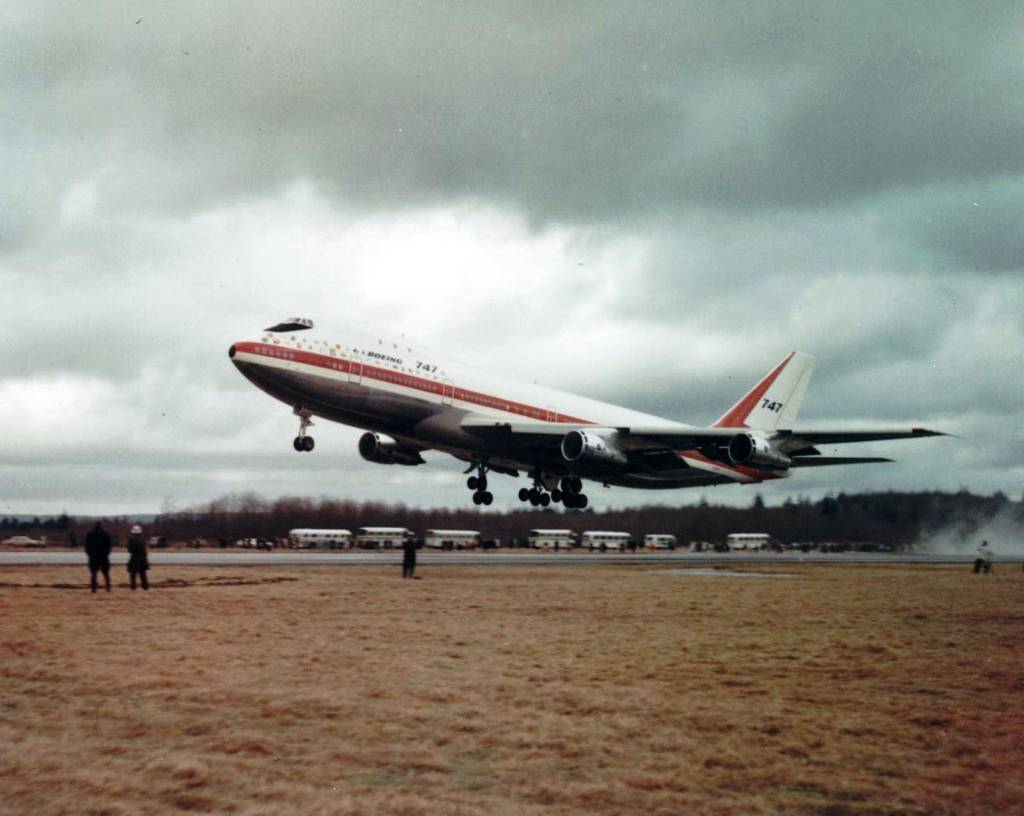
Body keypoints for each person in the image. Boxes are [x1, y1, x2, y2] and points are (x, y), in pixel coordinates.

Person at [85, 521, 112, 592]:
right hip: (103, 556)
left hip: (93, 557)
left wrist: (90, 554)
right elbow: (109, 546)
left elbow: (87, 546)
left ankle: (93, 588)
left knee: (94, 574)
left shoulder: (90, 534)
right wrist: (106, 554)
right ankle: (108, 587)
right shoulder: (106, 534)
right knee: (106, 574)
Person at [127, 524, 150, 590]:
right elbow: (146, 550)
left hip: (134, 558)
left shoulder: (131, 539)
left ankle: (133, 587)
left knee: (133, 575)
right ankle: (145, 587)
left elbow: (130, 550)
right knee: (143, 575)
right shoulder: (143, 539)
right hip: (143, 558)